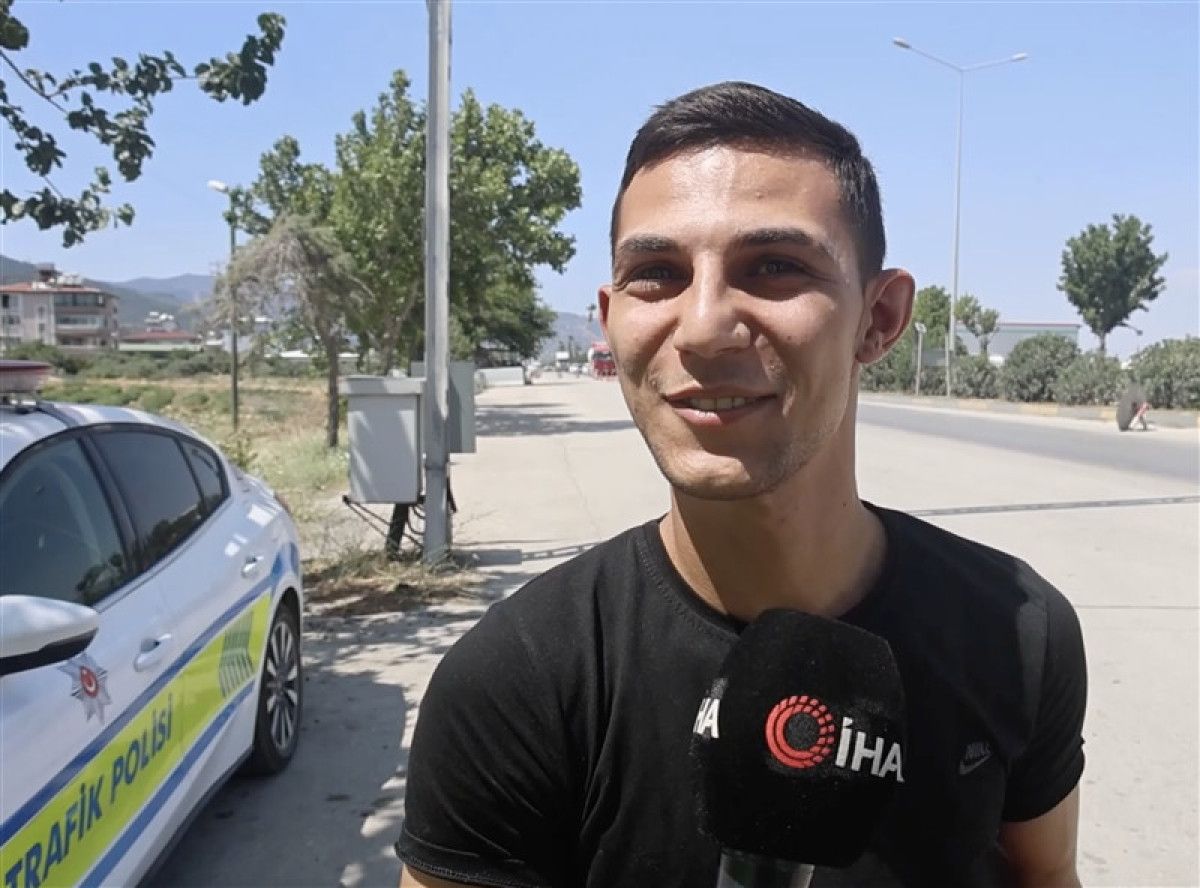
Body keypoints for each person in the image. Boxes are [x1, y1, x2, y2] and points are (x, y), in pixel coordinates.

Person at [396, 81, 1087, 888]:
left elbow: (1048, 876)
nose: (703, 328)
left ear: (880, 318)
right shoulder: (515, 681)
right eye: (657, 273)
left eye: (774, 267)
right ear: (610, 319)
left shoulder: (1017, 633)